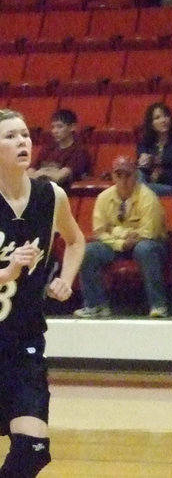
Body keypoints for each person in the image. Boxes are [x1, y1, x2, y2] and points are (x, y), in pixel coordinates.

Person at [0, 108, 85, 478]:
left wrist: (65, 277)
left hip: (24, 341)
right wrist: (8, 271)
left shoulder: (52, 196)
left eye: (25, 135)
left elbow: (77, 240)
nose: (22, 142)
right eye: (10, 136)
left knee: (33, 450)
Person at [74, 155, 170, 318]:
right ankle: (96, 305)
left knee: (144, 249)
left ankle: (158, 305)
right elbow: (100, 232)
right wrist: (122, 240)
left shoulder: (148, 197)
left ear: (136, 175)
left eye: (128, 175)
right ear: (113, 176)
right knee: (89, 251)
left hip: (151, 245)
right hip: (119, 245)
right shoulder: (103, 198)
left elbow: (148, 233)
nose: (123, 180)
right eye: (119, 175)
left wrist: (115, 230)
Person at [27, 108, 91, 189]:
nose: (55, 131)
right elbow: (29, 173)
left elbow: (58, 177)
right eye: (53, 127)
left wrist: (39, 173)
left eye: (59, 127)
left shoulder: (79, 152)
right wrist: (46, 174)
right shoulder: (47, 149)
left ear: (72, 127)